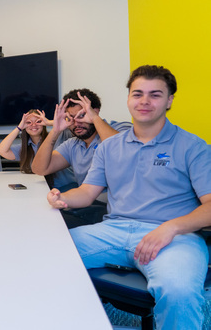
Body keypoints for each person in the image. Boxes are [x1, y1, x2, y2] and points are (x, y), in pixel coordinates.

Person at [47, 65, 211, 329]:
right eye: (137, 94)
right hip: (113, 230)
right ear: (128, 99)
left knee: (179, 292)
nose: (144, 101)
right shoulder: (109, 146)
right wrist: (61, 197)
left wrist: (171, 227)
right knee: (45, 255)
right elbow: (87, 193)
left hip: (173, 237)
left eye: (155, 94)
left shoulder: (193, 146)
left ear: (169, 100)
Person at [31, 89, 132, 189]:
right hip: (88, 202)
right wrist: (55, 131)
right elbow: (39, 169)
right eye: (71, 118)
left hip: (118, 203)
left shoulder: (123, 129)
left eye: (82, 115)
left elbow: (121, 150)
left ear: (95, 112)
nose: (76, 123)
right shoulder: (72, 145)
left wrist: (95, 118)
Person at [0, 109, 51, 174]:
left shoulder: (53, 141)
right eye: (29, 122)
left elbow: (65, 123)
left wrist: (49, 122)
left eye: (38, 121)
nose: (33, 125)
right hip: (33, 182)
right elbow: (1, 151)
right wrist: (19, 127)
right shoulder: (24, 148)